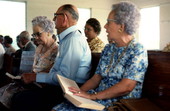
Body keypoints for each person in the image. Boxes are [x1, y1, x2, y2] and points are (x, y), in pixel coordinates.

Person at [52, 1, 148, 111]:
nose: (105, 26)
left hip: (118, 102)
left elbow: (126, 87)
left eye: (108, 22)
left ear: (121, 26)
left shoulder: (137, 50)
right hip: (98, 97)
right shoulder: (109, 48)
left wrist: (92, 96)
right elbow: (96, 78)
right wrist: (76, 93)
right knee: (58, 108)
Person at [11, 4, 91, 111]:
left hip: (70, 90)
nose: (53, 20)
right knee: (18, 94)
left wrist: (35, 77)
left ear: (64, 18)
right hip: (61, 87)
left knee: (20, 99)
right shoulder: (68, 38)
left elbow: (66, 78)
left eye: (56, 16)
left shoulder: (73, 40)